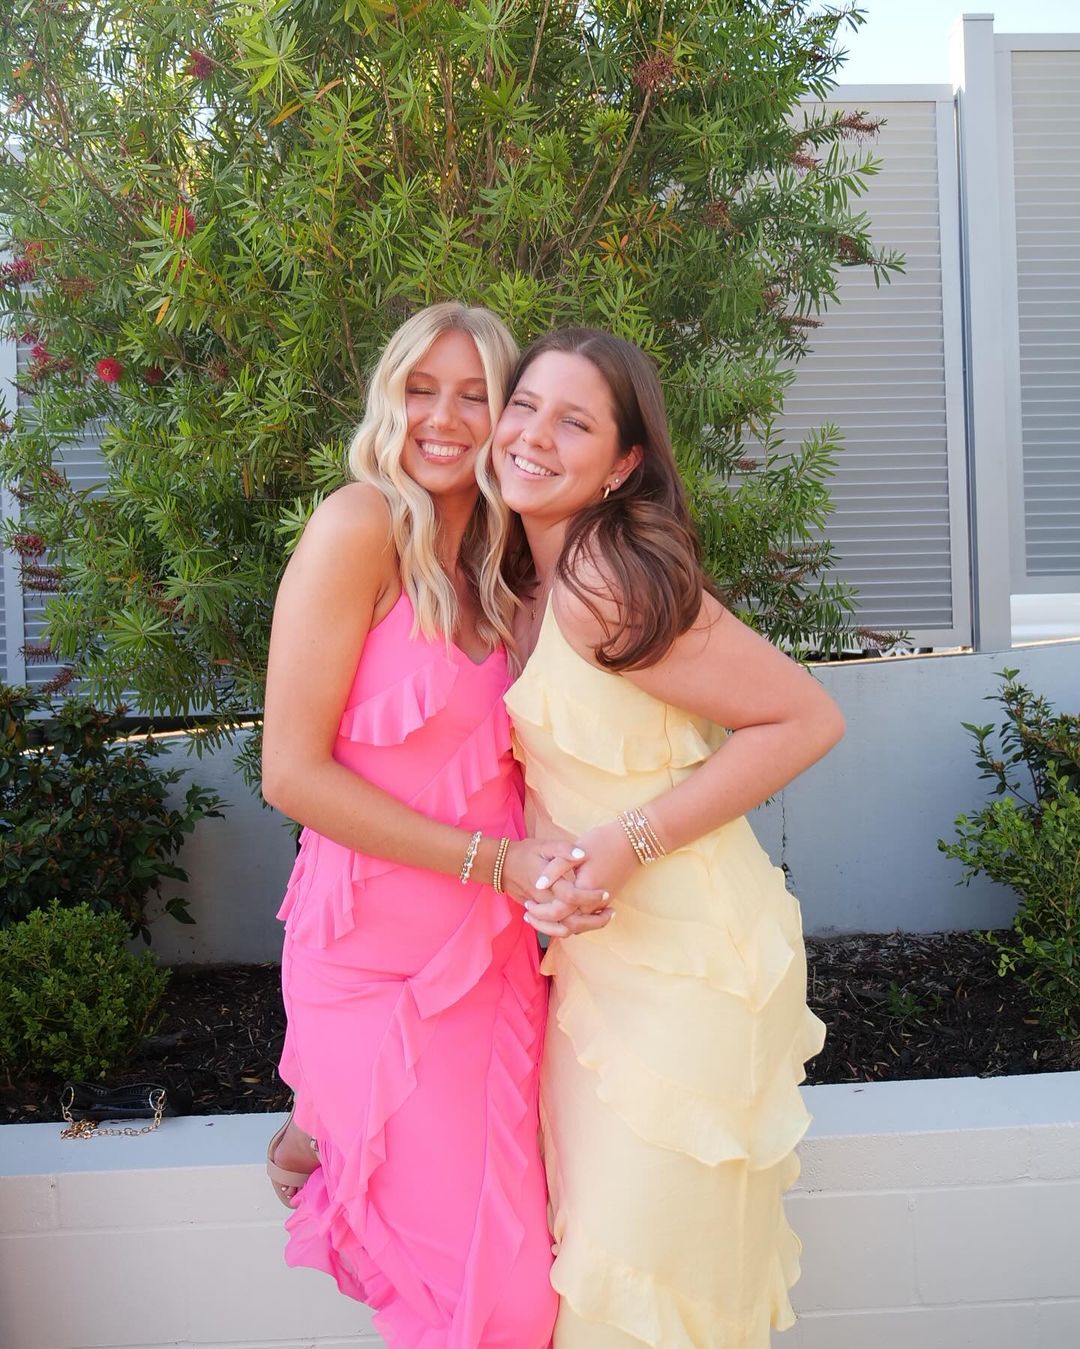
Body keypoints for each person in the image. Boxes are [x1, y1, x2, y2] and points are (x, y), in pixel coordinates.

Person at [260, 303, 605, 1348]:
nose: (443, 418)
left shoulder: (505, 569)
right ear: (389, 398)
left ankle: (321, 1130)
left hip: (491, 970)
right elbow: (290, 773)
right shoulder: (357, 526)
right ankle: (330, 1114)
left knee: (527, 1271)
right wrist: (496, 862)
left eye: (473, 395)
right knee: (491, 1303)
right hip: (372, 969)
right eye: (421, 389)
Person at [493, 328, 843, 1347]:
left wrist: (628, 842)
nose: (534, 435)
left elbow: (804, 717)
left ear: (624, 462)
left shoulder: (606, 579)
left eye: (574, 421)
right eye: (525, 405)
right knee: (600, 1275)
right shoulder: (519, 583)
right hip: (600, 968)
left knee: (646, 1292)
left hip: (695, 968)